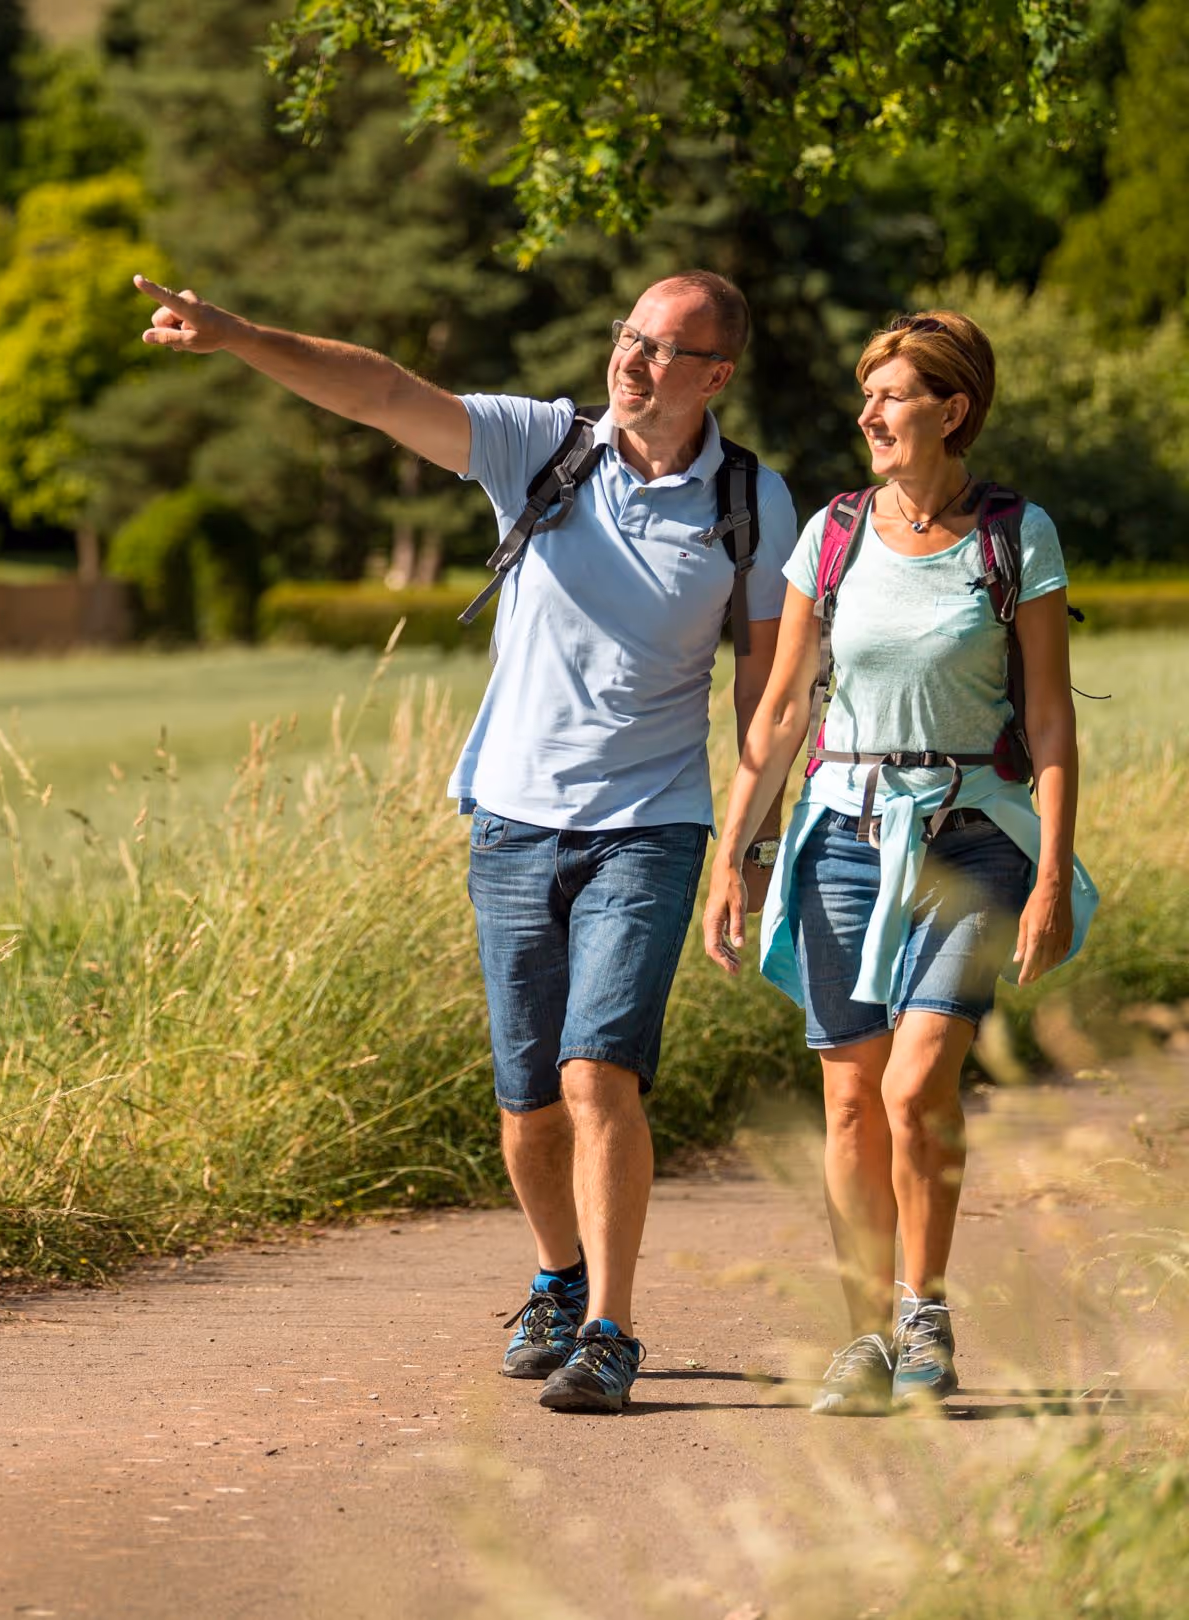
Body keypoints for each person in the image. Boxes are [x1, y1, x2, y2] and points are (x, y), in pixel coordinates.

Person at [136, 270, 798, 1414]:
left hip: (649, 823)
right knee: (527, 1099)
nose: (632, 364)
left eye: (661, 351)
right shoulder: (540, 447)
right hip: (508, 816)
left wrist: (749, 845)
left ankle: (609, 1331)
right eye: (626, 339)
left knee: (599, 1072)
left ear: (716, 376)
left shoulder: (749, 500)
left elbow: (765, 686)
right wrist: (242, 336)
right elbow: (383, 393)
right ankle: (557, 1272)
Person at [703, 310, 1093, 1415]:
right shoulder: (829, 533)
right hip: (840, 834)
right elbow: (778, 712)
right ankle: (865, 1338)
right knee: (848, 1099)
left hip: (974, 837)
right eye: (866, 393)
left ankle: (924, 1310)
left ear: (951, 410)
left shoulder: (1016, 536)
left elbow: (1054, 724)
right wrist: (733, 854)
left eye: (892, 394)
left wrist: (1054, 876)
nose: (869, 413)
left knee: (917, 1084)